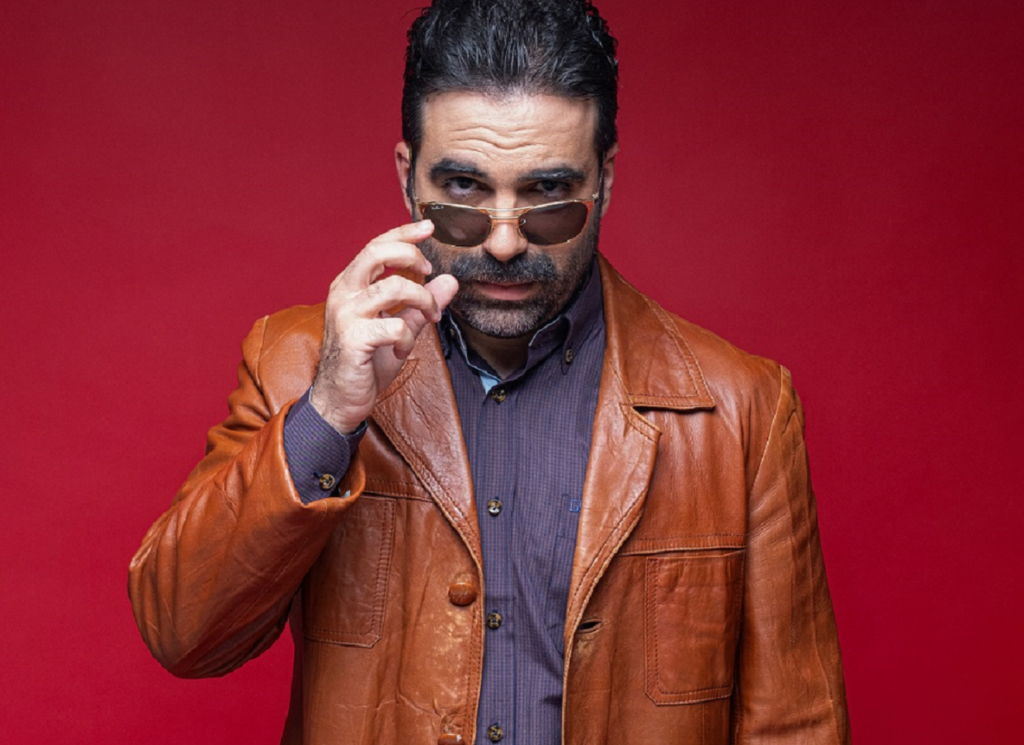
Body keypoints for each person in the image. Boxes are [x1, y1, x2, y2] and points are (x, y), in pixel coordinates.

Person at [129, 1, 851, 743]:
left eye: (547, 195)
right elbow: (184, 634)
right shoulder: (295, 363)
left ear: (604, 179)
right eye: (465, 192)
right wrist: (330, 413)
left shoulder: (742, 412)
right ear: (408, 177)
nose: (504, 242)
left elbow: (796, 725)